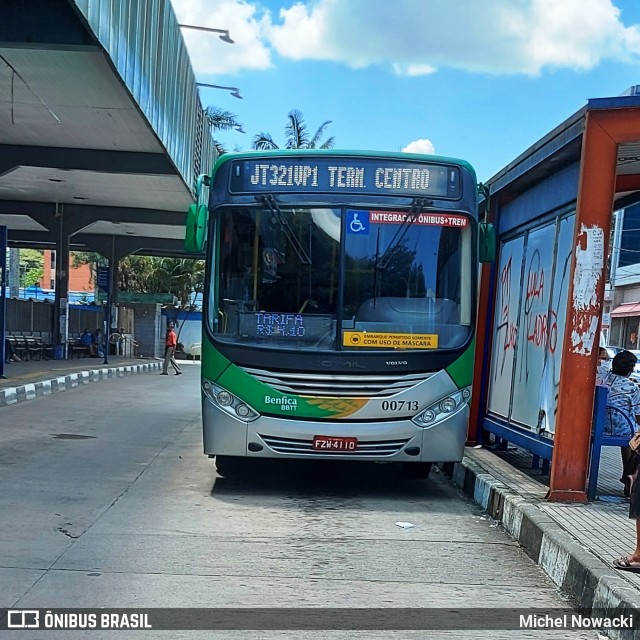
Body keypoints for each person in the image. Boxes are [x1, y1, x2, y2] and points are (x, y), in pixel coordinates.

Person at [598, 350, 640, 497]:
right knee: (635, 438)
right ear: (630, 369)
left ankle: (627, 476)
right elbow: (638, 415)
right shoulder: (632, 387)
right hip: (623, 429)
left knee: (630, 437)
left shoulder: (602, 379)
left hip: (600, 426)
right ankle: (630, 477)